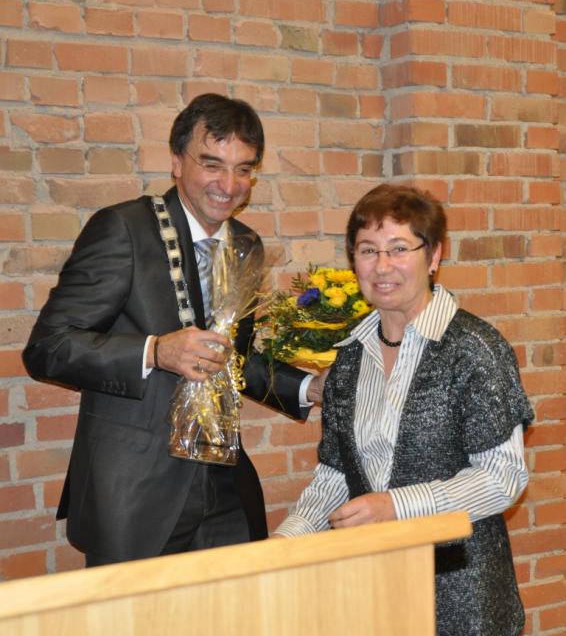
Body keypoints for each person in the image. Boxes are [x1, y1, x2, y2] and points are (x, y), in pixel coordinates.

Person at [23, 93, 325, 567]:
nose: (229, 185)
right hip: (134, 493)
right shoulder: (123, 229)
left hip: (226, 484)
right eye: (212, 164)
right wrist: (155, 351)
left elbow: (232, 359)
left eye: (243, 169)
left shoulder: (246, 244)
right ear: (176, 162)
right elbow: (48, 348)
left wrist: (309, 388)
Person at [274, 184, 533, 636]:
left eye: (399, 248)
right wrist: (286, 541)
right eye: (368, 250)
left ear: (433, 256)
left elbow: (503, 477)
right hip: (378, 593)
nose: (382, 266)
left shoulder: (474, 349)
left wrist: (396, 506)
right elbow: (336, 474)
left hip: (463, 596)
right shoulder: (349, 359)